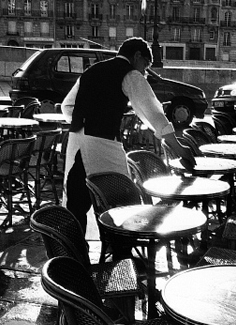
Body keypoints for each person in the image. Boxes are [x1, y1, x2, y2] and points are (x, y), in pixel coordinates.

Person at [61, 37, 195, 234]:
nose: (144, 71)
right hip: (102, 145)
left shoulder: (92, 70)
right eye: (145, 65)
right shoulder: (130, 74)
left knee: (77, 202)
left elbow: (67, 106)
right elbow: (153, 113)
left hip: (77, 142)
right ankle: (119, 252)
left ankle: (75, 253)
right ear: (137, 56)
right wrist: (179, 149)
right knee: (121, 202)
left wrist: (85, 119)